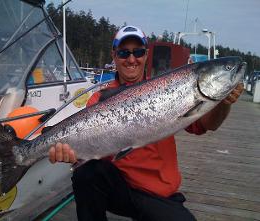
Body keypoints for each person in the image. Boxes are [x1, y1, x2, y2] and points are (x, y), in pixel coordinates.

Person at [48, 25, 244, 221]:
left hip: (159, 195)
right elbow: (87, 151)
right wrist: (72, 154)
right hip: (119, 190)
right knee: (85, 174)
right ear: (114, 56)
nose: (131, 59)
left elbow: (208, 125)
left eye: (138, 52)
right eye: (124, 53)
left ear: (146, 55)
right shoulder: (100, 99)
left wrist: (224, 103)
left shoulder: (169, 88)